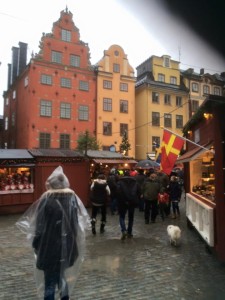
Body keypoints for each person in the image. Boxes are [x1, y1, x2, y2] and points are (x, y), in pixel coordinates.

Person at [16, 166, 90, 300]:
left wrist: (36, 243)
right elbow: (77, 224)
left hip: (48, 246)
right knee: (61, 276)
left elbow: (39, 225)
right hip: (67, 246)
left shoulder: (46, 199)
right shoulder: (72, 199)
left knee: (49, 280)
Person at [116, 170, 141, 240]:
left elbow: (117, 192)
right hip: (132, 202)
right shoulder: (135, 182)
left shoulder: (120, 182)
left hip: (122, 202)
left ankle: (123, 230)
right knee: (131, 218)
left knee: (122, 217)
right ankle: (129, 232)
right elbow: (139, 191)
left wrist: (121, 200)